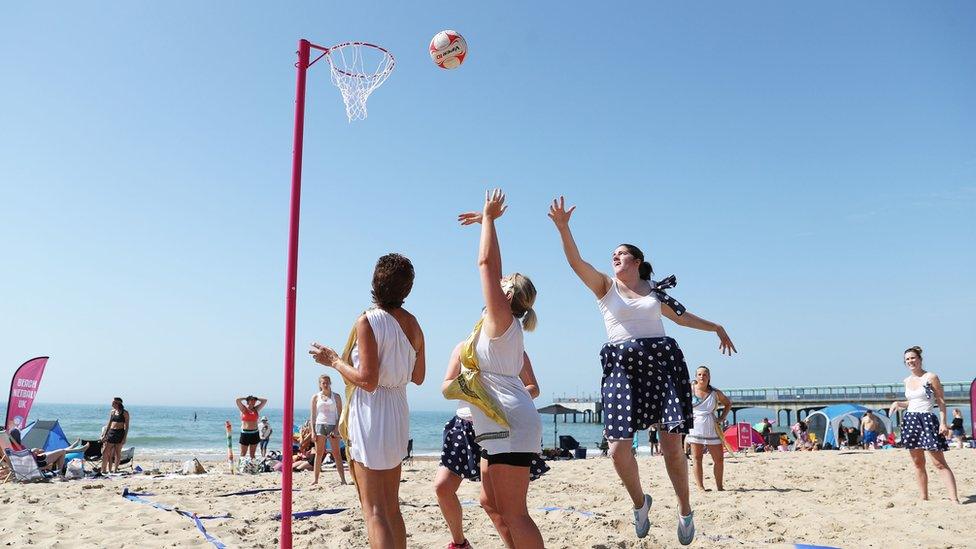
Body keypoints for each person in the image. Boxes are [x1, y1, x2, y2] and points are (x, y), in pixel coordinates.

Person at [547, 196, 736, 545]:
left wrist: (716, 327)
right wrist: (563, 227)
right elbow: (576, 262)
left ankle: (684, 508)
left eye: (621, 254)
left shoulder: (654, 291)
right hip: (622, 367)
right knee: (618, 447)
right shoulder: (606, 286)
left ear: (637, 261)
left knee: (672, 446)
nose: (614, 257)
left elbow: (682, 317)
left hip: (661, 366)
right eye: (613, 255)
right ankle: (640, 503)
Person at [310, 252, 426, 549]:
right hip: (398, 408)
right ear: (407, 289)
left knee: (373, 509)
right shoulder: (413, 324)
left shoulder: (368, 321)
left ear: (376, 283)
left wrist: (334, 360)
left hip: (372, 412)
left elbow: (368, 380)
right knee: (392, 506)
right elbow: (419, 376)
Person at [453, 189, 545, 549]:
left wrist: (489, 219)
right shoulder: (500, 322)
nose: (499, 282)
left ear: (507, 296)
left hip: (509, 422)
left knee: (515, 512)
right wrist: (484, 224)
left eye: (504, 285)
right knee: (490, 503)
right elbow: (495, 270)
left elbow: (487, 266)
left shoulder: (502, 318)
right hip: (497, 424)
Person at [436, 342, 549, 549]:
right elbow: (446, 385)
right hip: (465, 426)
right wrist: (470, 387)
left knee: (497, 504)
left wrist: (499, 398)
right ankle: (459, 542)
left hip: (497, 424)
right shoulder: (464, 349)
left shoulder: (513, 348)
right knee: (443, 487)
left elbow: (534, 388)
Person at [889, 346, 959, 503]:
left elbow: (940, 401)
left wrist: (943, 423)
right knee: (918, 462)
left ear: (920, 359)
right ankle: (924, 498)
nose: (910, 361)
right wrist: (898, 403)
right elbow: (913, 402)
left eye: (913, 358)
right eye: (907, 359)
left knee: (939, 462)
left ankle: (954, 499)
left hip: (927, 420)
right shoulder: (906, 381)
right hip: (911, 421)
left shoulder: (931, 377)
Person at [685, 366, 731, 491]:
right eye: (699, 374)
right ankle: (700, 486)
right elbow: (681, 404)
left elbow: (728, 403)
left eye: (705, 374)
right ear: (696, 377)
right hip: (695, 427)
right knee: (697, 458)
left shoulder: (715, 393)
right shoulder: (690, 390)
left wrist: (721, 418)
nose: (702, 377)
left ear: (709, 377)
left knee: (719, 459)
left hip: (711, 426)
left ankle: (719, 486)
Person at [310, 374, 347, 485]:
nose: (325, 385)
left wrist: (337, 428)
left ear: (330, 383)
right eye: (323, 383)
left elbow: (340, 414)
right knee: (319, 453)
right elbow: (312, 416)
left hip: (332, 425)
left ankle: (343, 479)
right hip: (320, 425)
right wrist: (312, 431)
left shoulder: (336, 397)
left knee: (336, 453)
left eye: (327, 382)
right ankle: (316, 479)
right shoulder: (315, 397)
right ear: (320, 384)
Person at [100, 397, 129, 473]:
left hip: (120, 433)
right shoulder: (112, 412)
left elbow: (127, 426)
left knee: (117, 452)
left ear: (118, 404)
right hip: (112, 433)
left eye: (114, 402)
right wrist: (105, 435)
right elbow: (109, 424)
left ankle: (115, 470)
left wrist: (124, 438)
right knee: (105, 452)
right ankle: (103, 469)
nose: (112, 404)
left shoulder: (125, 413)